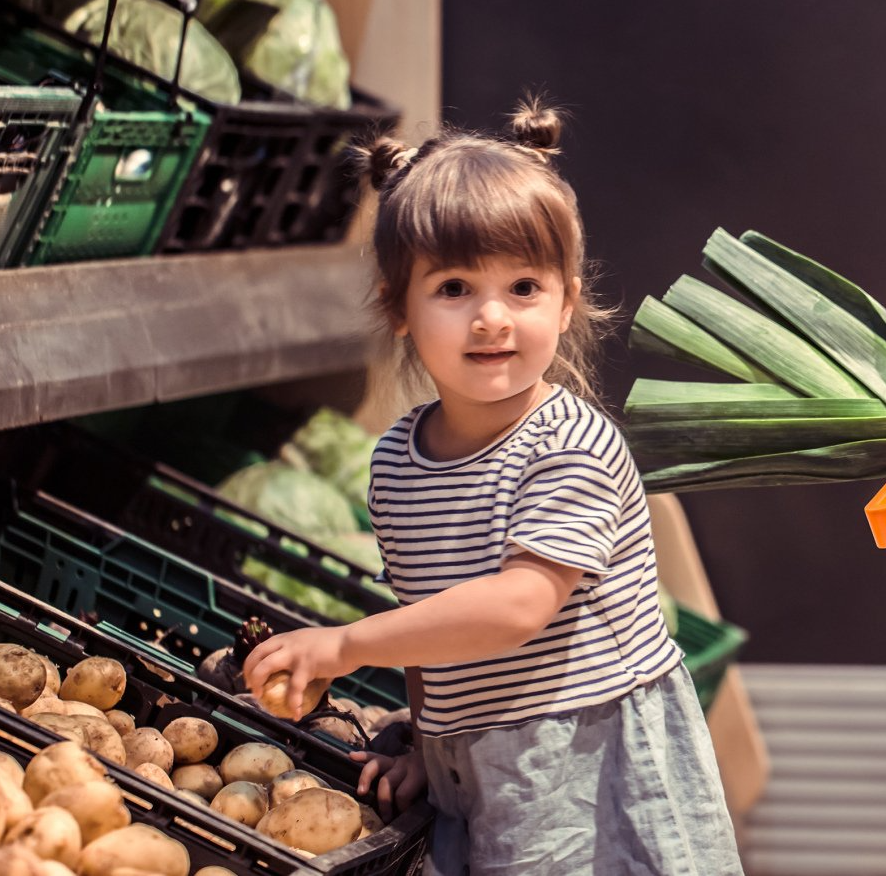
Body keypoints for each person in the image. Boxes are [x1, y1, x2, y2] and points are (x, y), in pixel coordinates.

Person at [243, 97, 744, 876]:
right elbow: (428, 617)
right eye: (453, 288)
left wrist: (344, 644)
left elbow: (518, 606)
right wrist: (423, 742)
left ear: (567, 300)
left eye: (523, 287)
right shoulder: (397, 460)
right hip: (475, 765)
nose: (490, 318)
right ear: (398, 306)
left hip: (592, 768)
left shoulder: (569, 443)